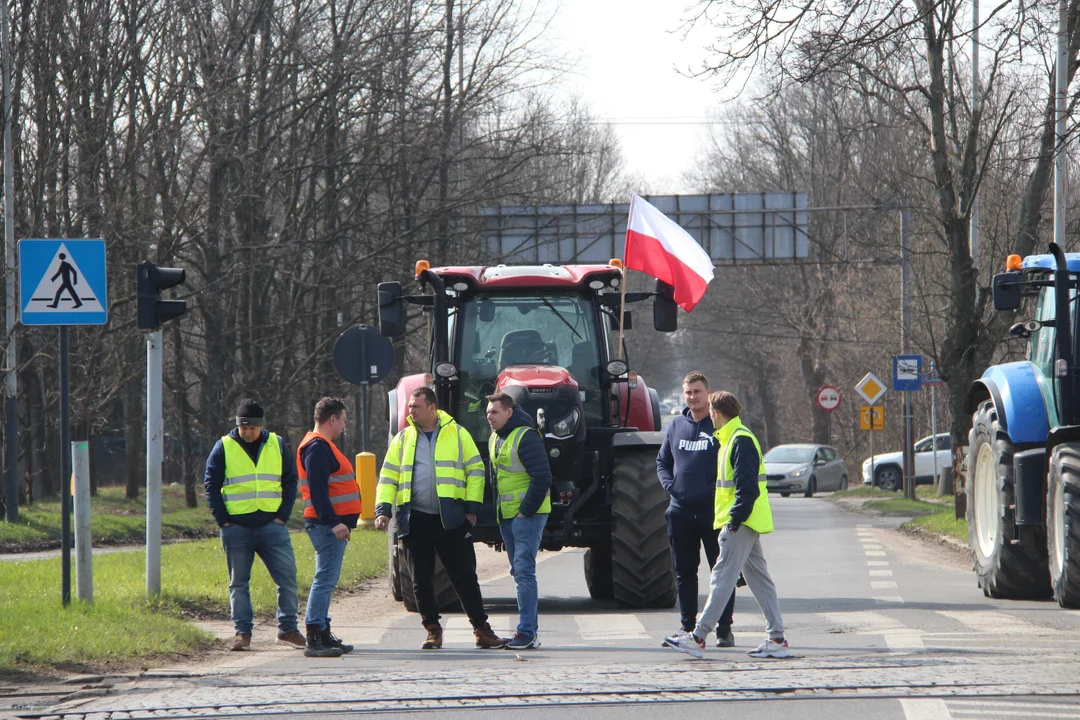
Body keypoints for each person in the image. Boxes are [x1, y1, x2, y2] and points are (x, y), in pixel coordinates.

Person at [374, 387, 506, 650]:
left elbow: (476, 472)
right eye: (410, 406)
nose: (410, 411)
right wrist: (383, 511)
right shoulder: (403, 439)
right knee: (420, 581)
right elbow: (388, 477)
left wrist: (471, 510)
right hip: (415, 519)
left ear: (432, 408)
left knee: (464, 577)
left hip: (451, 519)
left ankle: (482, 629)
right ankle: (433, 631)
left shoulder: (457, 434)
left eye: (416, 406)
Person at [664, 391, 790, 660]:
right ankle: (777, 637)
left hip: (741, 522)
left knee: (722, 577)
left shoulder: (739, 440)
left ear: (717, 413)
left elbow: (746, 488)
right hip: (746, 521)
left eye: (711, 411)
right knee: (759, 580)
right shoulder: (733, 438)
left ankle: (698, 637)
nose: (709, 416)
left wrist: (733, 521)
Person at [204, 398, 304, 652]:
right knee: (238, 583)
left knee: (288, 578)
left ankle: (288, 629)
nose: (247, 432)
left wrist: (282, 515)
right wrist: (223, 520)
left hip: (272, 525)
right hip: (236, 527)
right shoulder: (224, 446)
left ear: (261, 426)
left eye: (252, 428)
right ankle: (242, 633)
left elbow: (290, 480)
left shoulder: (277, 444)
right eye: (242, 427)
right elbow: (211, 484)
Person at [657, 372, 738, 648]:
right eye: (688, 392)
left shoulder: (719, 425)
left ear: (708, 393)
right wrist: (671, 487)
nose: (693, 396)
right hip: (680, 511)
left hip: (713, 512)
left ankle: (724, 629)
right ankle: (687, 627)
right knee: (684, 572)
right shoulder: (676, 424)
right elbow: (662, 462)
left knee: (722, 572)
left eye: (697, 392)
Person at [486, 392, 552, 651]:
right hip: (508, 515)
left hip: (527, 515)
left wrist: (525, 512)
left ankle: (526, 632)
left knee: (524, 571)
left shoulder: (526, 437)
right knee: (519, 571)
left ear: (509, 412)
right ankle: (526, 631)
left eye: (495, 412)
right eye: (488, 412)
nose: (490, 417)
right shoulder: (496, 438)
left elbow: (542, 477)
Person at [297, 396, 361, 658]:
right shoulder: (318, 447)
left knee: (326, 579)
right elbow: (318, 491)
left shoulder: (321, 446)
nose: (344, 426)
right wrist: (334, 523)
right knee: (324, 579)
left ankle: (322, 631)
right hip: (326, 525)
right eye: (343, 420)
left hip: (327, 524)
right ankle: (315, 636)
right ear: (332, 419)